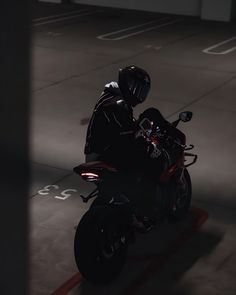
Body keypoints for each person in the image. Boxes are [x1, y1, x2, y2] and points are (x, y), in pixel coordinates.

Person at [84, 65, 161, 169]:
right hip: (100, 154)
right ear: (129, 85)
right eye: (138, 90)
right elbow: (126, 132)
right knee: (143, 160)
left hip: (101, 148)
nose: (140, 95)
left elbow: (121, 127)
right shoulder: (116, 103)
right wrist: (150, 146)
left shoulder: (113, 96)